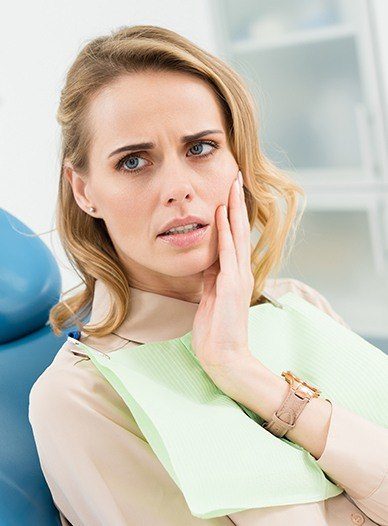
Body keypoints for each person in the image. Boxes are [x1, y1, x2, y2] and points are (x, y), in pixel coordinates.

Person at [28, 24, 388, 526]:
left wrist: (247, 374)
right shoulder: (80, 397)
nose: (178, 188)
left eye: (200, 148)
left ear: (236, 159)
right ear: (84, 189)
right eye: (133, 161)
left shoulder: (299, 304)